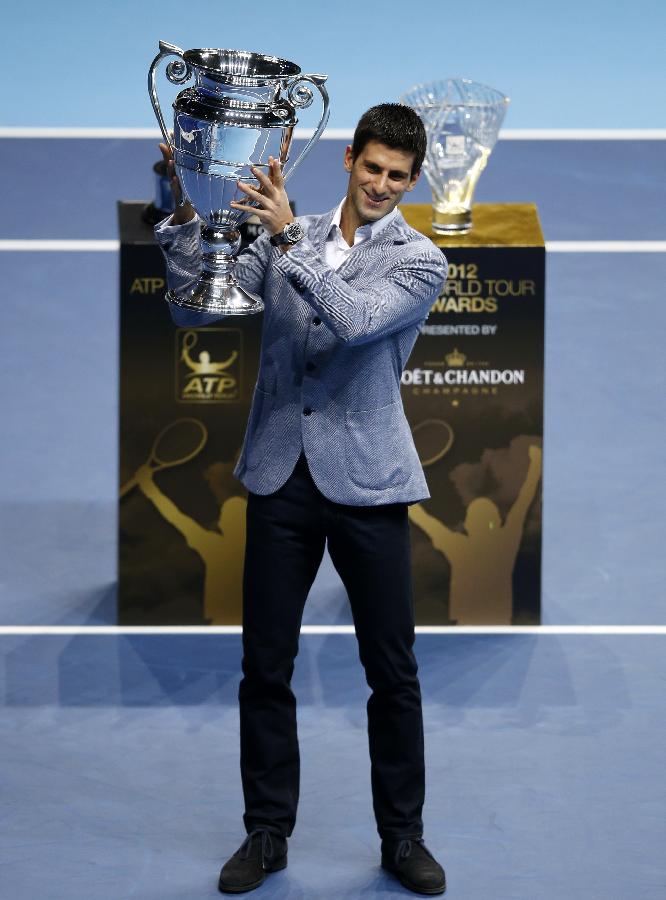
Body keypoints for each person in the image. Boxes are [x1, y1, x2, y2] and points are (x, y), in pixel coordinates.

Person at [155, 103, 448, 896]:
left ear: (412, 181)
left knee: (391, 671)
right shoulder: (289, 227)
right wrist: (184, 207)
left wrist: (285, 239)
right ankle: (266, 832)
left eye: (397, 176)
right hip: (281, 476)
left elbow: (353, 321)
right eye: (372, 167)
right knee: (265, 666)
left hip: (369, 485)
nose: (382, 184)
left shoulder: (421, 262)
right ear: (349, 158)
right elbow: (195, 305)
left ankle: (402, 836)